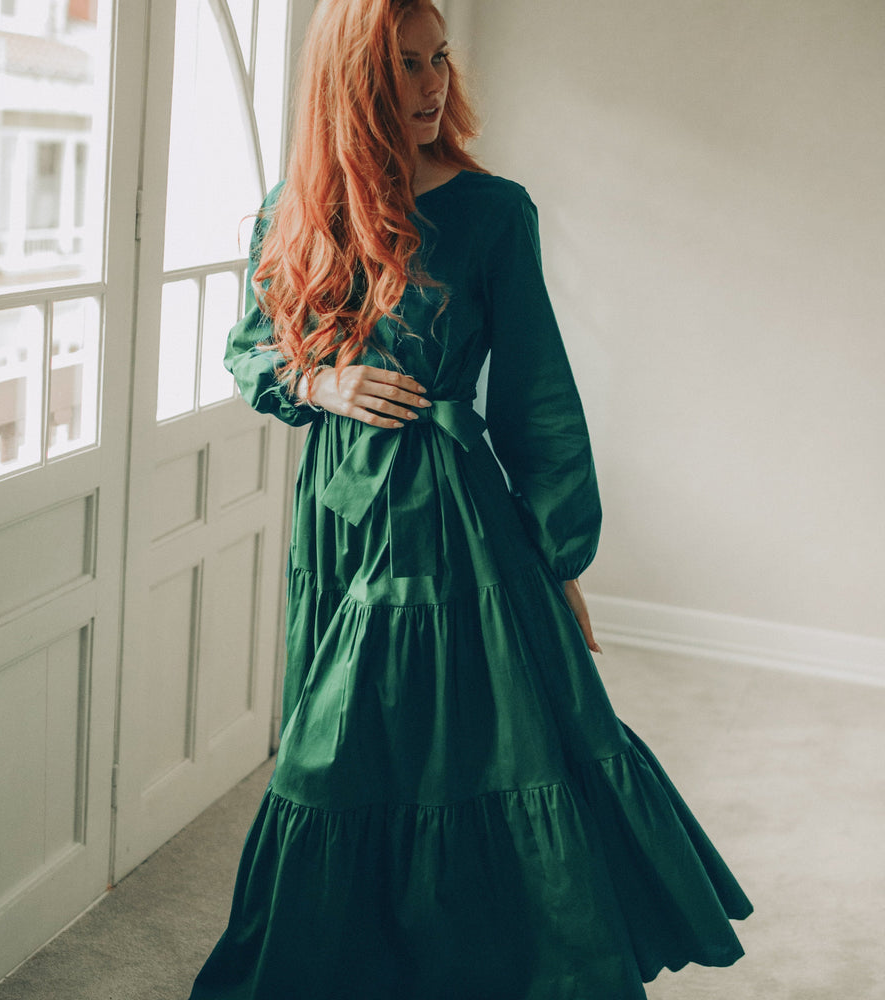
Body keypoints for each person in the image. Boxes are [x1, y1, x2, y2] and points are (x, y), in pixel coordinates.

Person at [188, 1, 752, 997]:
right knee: (340, 757)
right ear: (352, 79)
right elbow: (249, 349)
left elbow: (537, 394)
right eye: (406, 65)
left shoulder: (494, 212)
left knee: (477, 748)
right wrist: (322, 383)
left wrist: (557, 557)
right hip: (339, 519)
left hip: (453, 520)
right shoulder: (297, 206)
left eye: (438, 60)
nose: (432, 84)